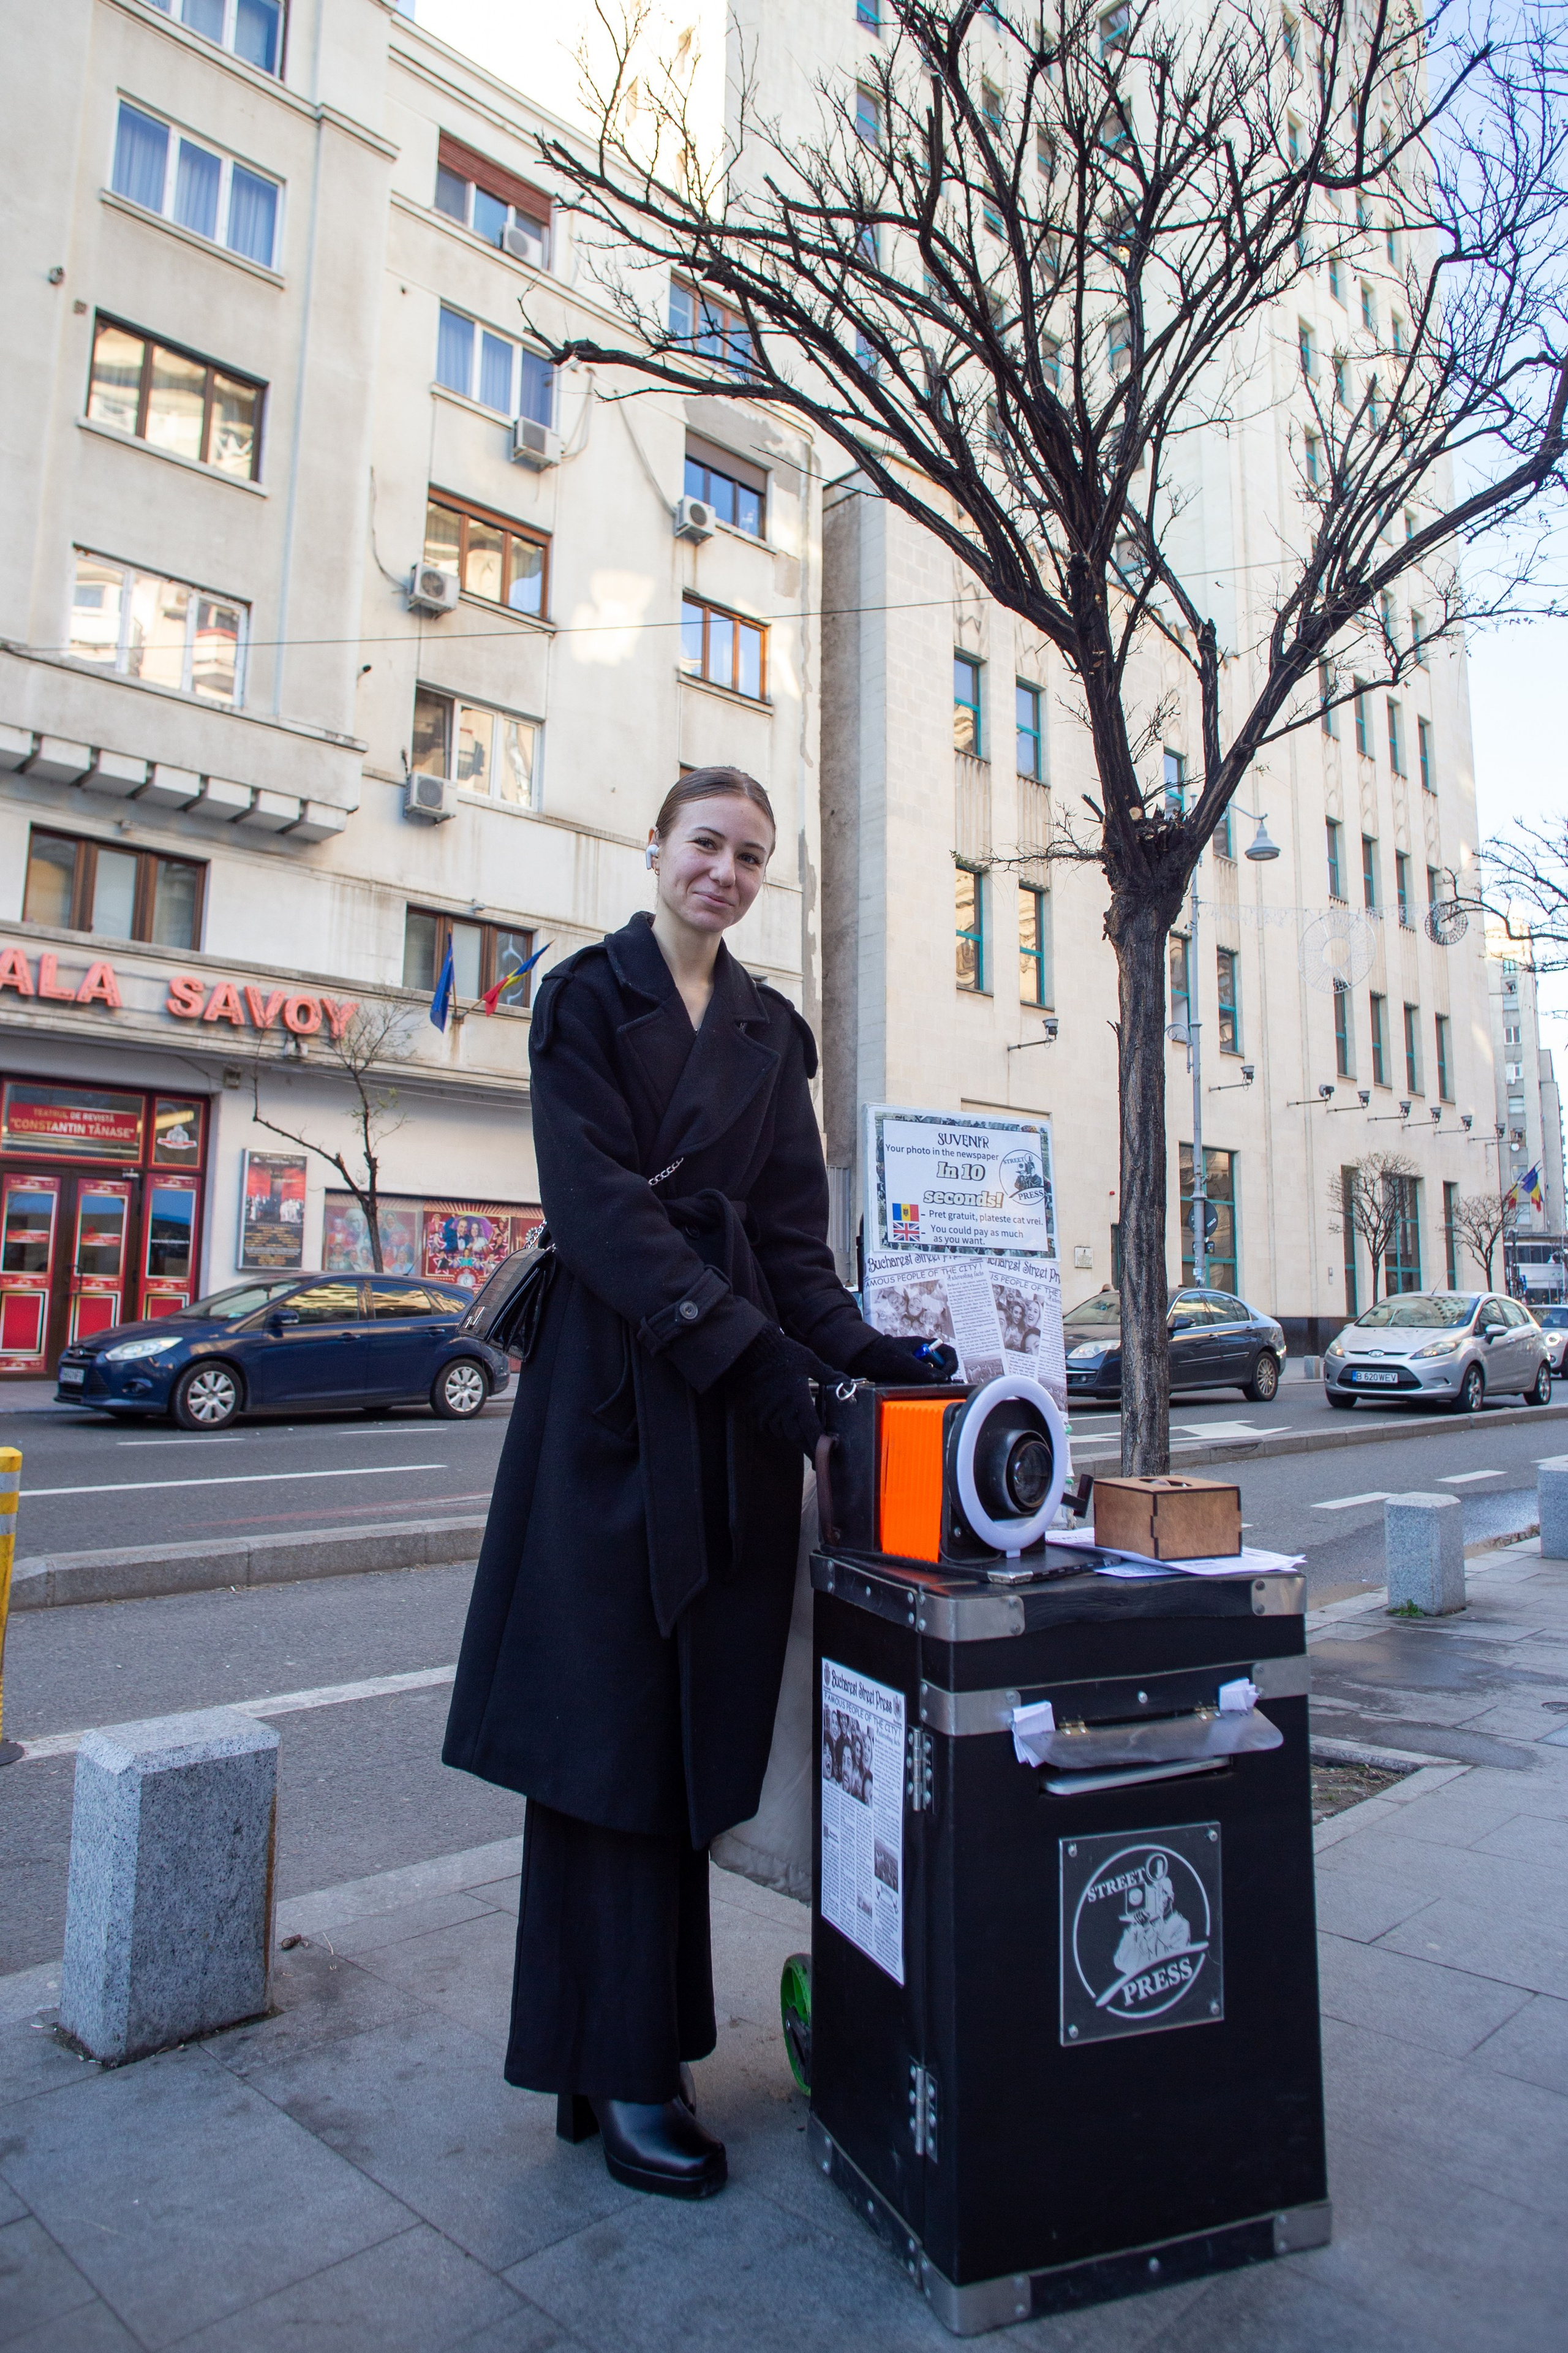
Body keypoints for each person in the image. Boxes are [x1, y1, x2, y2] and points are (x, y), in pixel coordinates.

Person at [443, 765, 941, 2202]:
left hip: (726, 1419)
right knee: (603, 1744)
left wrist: (863, 1351)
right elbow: (595, 1210)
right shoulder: (584, 998)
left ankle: (622, 2050)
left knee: (673, 1750)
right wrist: (767, 1369)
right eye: (704, 845)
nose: (724, 871)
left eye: (749, 857)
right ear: (654, 847)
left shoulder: (770, 1030)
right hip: (610, 1407)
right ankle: (615, 2067)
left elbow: (792, 1240)